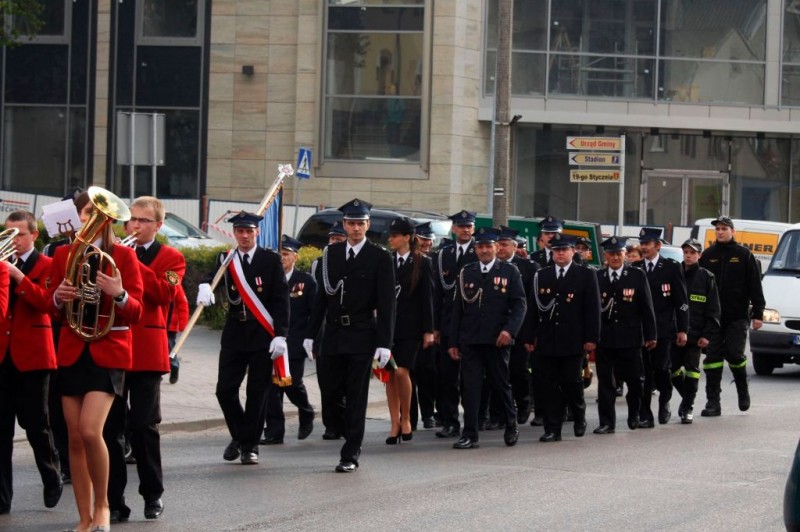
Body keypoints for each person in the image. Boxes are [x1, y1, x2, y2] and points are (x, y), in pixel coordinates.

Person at [50, 189, 144, 532]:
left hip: (108, 351)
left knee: (91, 430)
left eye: (93, 213)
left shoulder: (124, 256)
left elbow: (136, 312)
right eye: (85, 212)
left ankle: (103, 506)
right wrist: (57, 298)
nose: (87, 218)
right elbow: (51, 308)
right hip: (73, 349)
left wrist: (118, 294)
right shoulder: (64, 254)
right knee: (74, 438)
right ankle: (84, 517)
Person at [104, 196, 185, 522]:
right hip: (113, 347)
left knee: (144, 426)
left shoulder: (172, 258)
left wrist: (130, 261)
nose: (134, 226)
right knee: (111, 429)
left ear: (158, 225)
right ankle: (114, 501)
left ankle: (153, 494)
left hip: (147, 352)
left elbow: (164, 294)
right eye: (131, 220)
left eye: (142, 220)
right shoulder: (113, 252)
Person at [306, 198, 396, 472]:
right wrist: (310, 334)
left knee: (356, 395)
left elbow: (387, 303)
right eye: (351, 223)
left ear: (368, 225)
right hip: (333, 332)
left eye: (361, 223)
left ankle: (350, 453)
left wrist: (384, 343)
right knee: (330, 390)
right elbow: (322, 298)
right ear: (344, 225)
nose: (356, 228)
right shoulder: (330, 254)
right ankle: (348, 429)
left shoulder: (379, 257)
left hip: (361, 333)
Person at [196, 211, 289, 465]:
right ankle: (240, 436)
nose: (244, 236)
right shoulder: (227, 258)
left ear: (257, 232)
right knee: (224, 390)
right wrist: (204, 285)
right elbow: (212, 277)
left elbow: (281, 299)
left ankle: (249, 447)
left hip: (262, 334)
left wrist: (281, 335)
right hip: (235, 332)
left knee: (257, 393)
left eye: (249, 231)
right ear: (234, 233)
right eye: (240, 231)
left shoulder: (270, 260)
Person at [0, 210, 62, 515]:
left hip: (35, 357)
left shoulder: (47, 265)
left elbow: (48, 304)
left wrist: (19, 277)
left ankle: (52, 476)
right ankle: (2, 499)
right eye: (8, 234)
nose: (14, 241)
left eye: (20, 235)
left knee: (37, 426)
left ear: (34, 235)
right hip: (2, 355)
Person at [448, 227, 527, 449]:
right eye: (480, 247)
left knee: (501, 385)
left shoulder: (509, 271)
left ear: (496, 247)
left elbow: (520, 305)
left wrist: (509, 331)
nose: (484, 250)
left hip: (497, 339)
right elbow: (458, 309)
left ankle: (511, 424)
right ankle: (470, 434)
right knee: (470, 388)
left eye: (488, 246)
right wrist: (453, 341)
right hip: (471, 339)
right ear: (475, 249)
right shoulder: (467, 271)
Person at [526, 233, 600, 442]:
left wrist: (591, 338)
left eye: (564, 250)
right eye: (556, 250)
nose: (560, 254)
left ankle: (578, 415)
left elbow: (592, 309)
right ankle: (552, 428)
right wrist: (529, 337)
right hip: (547, 338)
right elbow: (533, 309)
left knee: (571, 382)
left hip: (573, 339)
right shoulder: (542, 275)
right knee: (548, 386)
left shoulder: (585, 275)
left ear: (572, 251)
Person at [698, 216, 764, 416]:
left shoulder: (744, 255)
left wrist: (758, 313)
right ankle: (713, 402)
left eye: (724, 228)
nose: (720, 232)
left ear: (732, 231)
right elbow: (699, 286)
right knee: (712, 358)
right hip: (713, 318)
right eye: (717, 228)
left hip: (737, 316)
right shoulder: (708, 255)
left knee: (735, 355)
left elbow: (755, 285)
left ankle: (742, 389)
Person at [592, 236, 657, 435]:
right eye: (611, 254)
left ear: (625, 255)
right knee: (606, 383)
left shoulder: (636, 275)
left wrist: (651, 335)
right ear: (605, 256)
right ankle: (607, 422)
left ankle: (635, 412)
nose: (615, 258)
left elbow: (647, 307)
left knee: (635, 381)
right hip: (605, 339)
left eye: (619, 254)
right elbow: (591, 310)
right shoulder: (598, 277)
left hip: (631, 339)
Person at [261, 235, 317, 444]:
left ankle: (306, 411)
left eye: (285, 254)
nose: (281, 258)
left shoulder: (306, 281)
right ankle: (274, 432)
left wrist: (311, 339)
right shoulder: (268, 279)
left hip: (294, 343)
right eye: (279, 254)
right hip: (271, 341)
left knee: (292, 385)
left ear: (295, 257)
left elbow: (315, 313)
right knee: (271, 389)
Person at [385, 217, 434, 443]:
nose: (391, 239)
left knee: (401, 371)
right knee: (389, 375)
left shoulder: (422, 262)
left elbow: (427, 298)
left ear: (407, 237)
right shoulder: (387, 261)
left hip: (410, 327)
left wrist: (428, 330)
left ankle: (406, 418)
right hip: (387, 327)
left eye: (395, 236)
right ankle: (394, 422)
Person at [632, 227, 688, 427]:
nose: (643, 247)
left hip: (664, 329)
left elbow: (681, 301)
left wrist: (683, 329)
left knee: (661, 369)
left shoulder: (672, 267)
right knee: (644, 373)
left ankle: (665, 400)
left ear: (657, 245)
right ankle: (645, 414)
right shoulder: (636, 268)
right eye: (642, 243)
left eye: (647, 244)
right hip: (641, 330)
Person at [433, 210, 479, 438]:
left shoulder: (480, 251)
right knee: (448, 377)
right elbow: (437, 293)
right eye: (461, 226)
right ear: (453, 229)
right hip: (448, 323)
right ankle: (450, 422)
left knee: (471, 378)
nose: (465, 230)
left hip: (472, 323)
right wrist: (436, 326)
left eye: (468, 226)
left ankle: (474, 420)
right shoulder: (444, 254)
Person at [674, 238, 720, 424]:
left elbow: (714, 309)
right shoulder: (675, 273)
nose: (688, 256)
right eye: (686, 252)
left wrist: (707, 335)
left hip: (696, 334)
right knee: (671, 369)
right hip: (674, 333)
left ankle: (688, 407)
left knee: (692, 370)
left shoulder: (707, 277)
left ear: (699, 255)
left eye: (692, 253)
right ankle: (686, 397)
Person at [310, 221, 347, 441]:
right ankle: (331, 424)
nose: (334, 242)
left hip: (348, 329)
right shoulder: (319, 264)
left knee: (346, 381)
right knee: (326, 382)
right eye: (332, 238)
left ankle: (346, 422)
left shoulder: (354, 262)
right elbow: (315, 302)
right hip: (324, 329)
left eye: (339, 239)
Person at [410, 221, 439, 429]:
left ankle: (428, 413)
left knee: (427, 373)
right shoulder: (409, 261)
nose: (426, 243)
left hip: (430, 324)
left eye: (429, 240)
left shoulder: (435, 260)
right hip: (410, 325)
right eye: (423, 239)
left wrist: (432, 328)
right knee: (408, 373)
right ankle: (409, 416)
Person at [167, 282, 189, 384]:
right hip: (158, 324)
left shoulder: (175, 284)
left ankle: (174, 365)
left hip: (171, 326)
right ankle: (157, 373)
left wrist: (183, 324)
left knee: (170, 348)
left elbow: (183, 304)